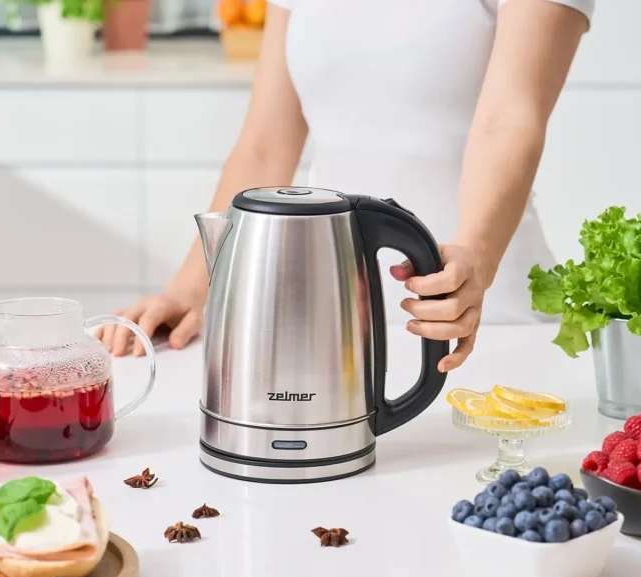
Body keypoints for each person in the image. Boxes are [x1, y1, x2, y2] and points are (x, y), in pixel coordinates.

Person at [99, 0, 593, 373]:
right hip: (333, 325)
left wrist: (475, 257)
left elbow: (510, 119)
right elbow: (265, 145)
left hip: (484, 320)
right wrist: (192, 288)